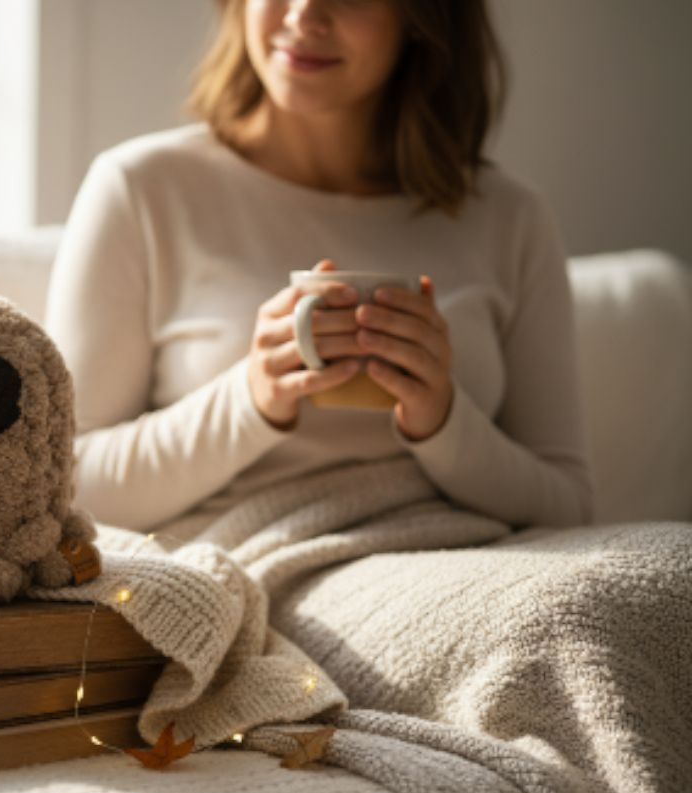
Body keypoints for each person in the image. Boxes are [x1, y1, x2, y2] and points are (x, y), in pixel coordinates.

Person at [45, 0, 594, 534]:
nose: (305, 13)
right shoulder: (142, 190)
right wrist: (252, 398)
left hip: (473, 556)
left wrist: (443, 418)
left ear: (424, 17)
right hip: (271, 567)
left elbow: (568, 507)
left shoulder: (509, 216)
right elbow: (66, 484)